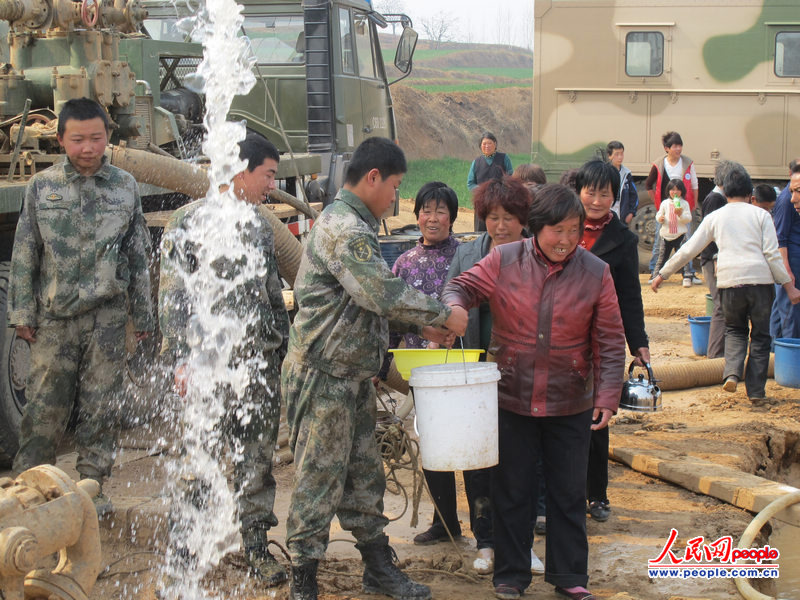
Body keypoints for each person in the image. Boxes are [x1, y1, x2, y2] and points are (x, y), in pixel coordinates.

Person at [281, 137, 468, 600]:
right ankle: (303, 580)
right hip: (324, 375)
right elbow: (378, 292)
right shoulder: (347, 228)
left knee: (364, 477)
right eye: (396, 187)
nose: (396, 199)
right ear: (372, 178)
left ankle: (377, 567)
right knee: (318, 479)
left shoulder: (352, 222)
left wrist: (421, 327)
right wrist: (442, 316)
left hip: (348, 375)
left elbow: (363, 303)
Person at [442, 184, 626, 600]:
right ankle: (511, 574)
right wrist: (453, 306)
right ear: (536, 228)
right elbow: (461, 287)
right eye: (556, 230)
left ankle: (568, 576)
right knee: (513, 489)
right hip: (512, 395)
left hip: (571, 398)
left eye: (574, 230)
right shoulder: (505, 259)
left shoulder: (596, 271)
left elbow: (612, 341)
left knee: (567, 491)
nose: (565, 240)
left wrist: (607, 395)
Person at [8, 97, 154, 514]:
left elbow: (137, 254)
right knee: (44, 410)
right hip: (55, 319)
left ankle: (94, 487)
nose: (88, 148)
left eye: (96, 138)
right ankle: (31, 489)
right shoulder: (43, 187)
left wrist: (142, 316)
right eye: (78, 140)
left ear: (108, 137)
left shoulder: (125, 186)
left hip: (107, 317)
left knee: (102, 406)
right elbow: (25, 252)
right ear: (60, 140)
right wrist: (21, 314)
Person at [158, 133, 290, 586]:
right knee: (201, 459)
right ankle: (183, 553)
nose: (272, 184)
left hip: (258, 366)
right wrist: (181, 360)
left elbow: (273, 296)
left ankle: (256, 548)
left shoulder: (256, 224)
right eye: (268, 175)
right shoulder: (187, 222)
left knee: (257, 462)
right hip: (210, 369)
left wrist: (282, 354)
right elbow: (173, 298)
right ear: (240, 170)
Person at [409, 176, 532, 574]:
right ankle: (487, 542)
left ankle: (521, 543)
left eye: (509, 218)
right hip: (477, 371)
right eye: (493, 217)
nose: (500, 226)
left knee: (517, 463)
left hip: (523, 373)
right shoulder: (469, 254)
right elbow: (453, 292)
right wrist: (446, 323)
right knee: (478, 458)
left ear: (523, 220)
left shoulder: (537, 254)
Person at [652, 163, 800, 403]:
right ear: (750, 194)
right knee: (761, 337)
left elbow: (689, 248)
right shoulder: (761, 215)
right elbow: (772, 255)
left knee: (734, 331)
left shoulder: (715, 217)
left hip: (730, 283)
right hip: (760, 283)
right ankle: (756, 392)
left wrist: (663, 273)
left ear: (724, 190)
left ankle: (731, 373)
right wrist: (789, 286)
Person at [378, 182, 463, 548]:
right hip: (419, 370)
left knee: (472, 446)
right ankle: (445, 522)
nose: (432, 218)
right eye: (426, 211)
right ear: (417, 217)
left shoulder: (466, 257)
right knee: (432, 446)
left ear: (452, 218)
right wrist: (383, 367)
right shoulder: (404, 263)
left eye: (440, 211)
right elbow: (390, 317)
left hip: (461, 367)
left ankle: (486, 526)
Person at [575, 160, 649, 525]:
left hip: (602, 340)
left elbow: (629, 296)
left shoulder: (623, 239)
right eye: (591, 191)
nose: (597, 199)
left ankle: (596, 495)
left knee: (597, 417)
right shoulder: (560, 227)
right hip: (559, 336)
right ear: (579, 191)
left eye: (606, 193)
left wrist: (639, 344)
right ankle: (560, 495)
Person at [645, 131, 701, 285]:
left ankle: (689, 274)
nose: (678, 149)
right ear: (666, 148)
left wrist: (693, 203)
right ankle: (654, 271)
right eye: (675, 146)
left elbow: (694, 184)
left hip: (682, 207)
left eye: (680, 145)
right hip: (665, 209)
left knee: (686, 241)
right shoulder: (659, 164)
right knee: (660, 241)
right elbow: (648, 184)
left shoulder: (687, 163)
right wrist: (658, 203)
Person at [699, 160, 733, 359]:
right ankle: (715, 355)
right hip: (712, 261)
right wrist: (716, 258)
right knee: (720, 306)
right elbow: (710, 236)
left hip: (715, 260)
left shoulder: (719, 199)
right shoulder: (715, 200)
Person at [770, 161, 800, 339]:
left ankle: (775, 351)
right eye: (793, 192)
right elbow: (780, 238)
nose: (793, 198)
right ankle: (787, 359)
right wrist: (786, 271)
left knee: (781, 308)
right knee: (790, 314)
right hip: (791, 263)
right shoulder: (785, 202)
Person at [467, 131, 513, 231]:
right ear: (480, 146)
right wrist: (482, 191)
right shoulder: (476, 162)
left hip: (499, 201)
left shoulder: (504, 158)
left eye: (489, 143)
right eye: (484, 144)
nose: (487, 146)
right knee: (480, 232)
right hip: (482, 202)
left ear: (495, 144)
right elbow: (470, 183)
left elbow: (510, 178)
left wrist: (499, 190)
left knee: (499, 230)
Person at [652, 179, 693, 285]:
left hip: (680, 235)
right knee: (662, 257)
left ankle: (687, 276)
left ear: (682, 191)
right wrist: (660, 218)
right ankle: (656, 276)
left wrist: (680, 214)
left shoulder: (684, 203)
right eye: (672, 190)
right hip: (666, 235)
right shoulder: (665, 203)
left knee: (683, 256)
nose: (675, 192)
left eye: (678, 190)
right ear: (668, 191)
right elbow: (659, 214)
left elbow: (688, 218)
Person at [606, 141, 638, 225]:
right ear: (609, 156)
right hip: (606, 217)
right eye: (616, 154)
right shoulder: (604, 173)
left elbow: (634, 195)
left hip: (622, 217)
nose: (620, 157)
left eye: (622, 154)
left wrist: (631, 213)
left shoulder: (627, 174)